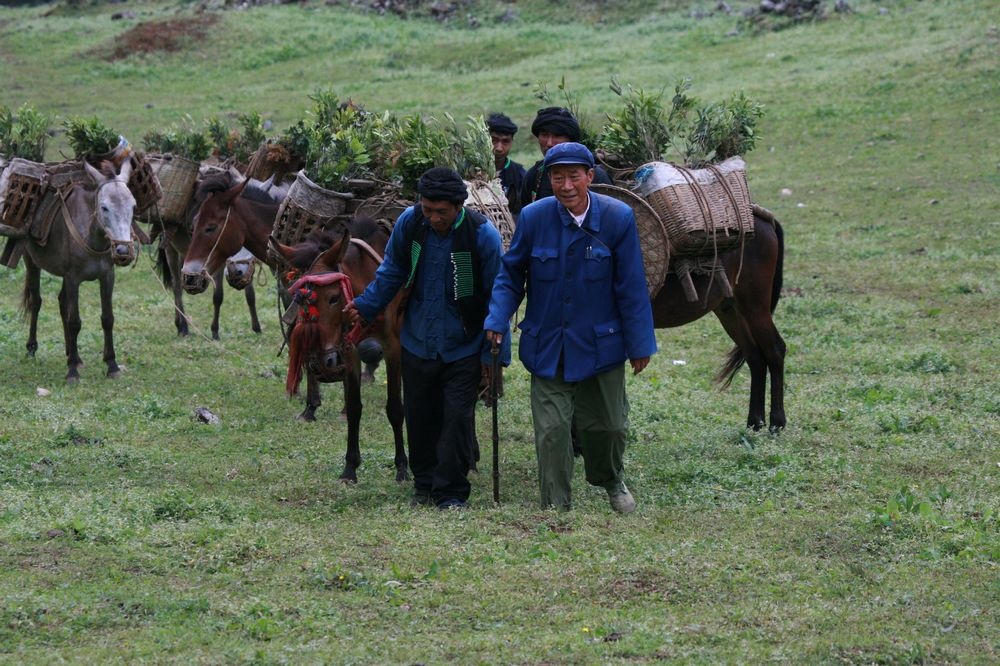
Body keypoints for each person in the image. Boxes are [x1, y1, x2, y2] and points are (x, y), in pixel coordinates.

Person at [485, 142, 656, 514]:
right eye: (557, 178)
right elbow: (511, 275)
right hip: (548, 343)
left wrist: (640, 343)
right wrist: (497, 318)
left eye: (573, 177)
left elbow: (631, 287)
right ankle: (556, 504)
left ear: (589, 178)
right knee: (552, 431)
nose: (565, 186)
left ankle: (611, 480)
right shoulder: (533, 218)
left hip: (601, 345)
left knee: (608, 427)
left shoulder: (617, 218)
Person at [345, 167, 509, 510]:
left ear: (458, 207)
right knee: (419, 416)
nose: (434, 218)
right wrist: (364, 306)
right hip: (418, 340)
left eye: (441, 212)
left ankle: (450, 492)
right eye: (428, 209)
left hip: (464, 342)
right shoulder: (411, 223)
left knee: (456, 418)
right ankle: (423, 484)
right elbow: (392, 271)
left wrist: (495, 355)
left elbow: (498, 294)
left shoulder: (482, 236)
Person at [518, 106, 614, 213]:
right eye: (544, 135)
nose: (549, 143)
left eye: (557, 135)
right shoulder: (533, 176)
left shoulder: (597, 176)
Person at [486, 112, 526, 215]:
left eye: (505, 141)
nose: (499, 148)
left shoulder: (520, 175)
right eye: (494, 140)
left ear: (512, 141)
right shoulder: (467, 172)